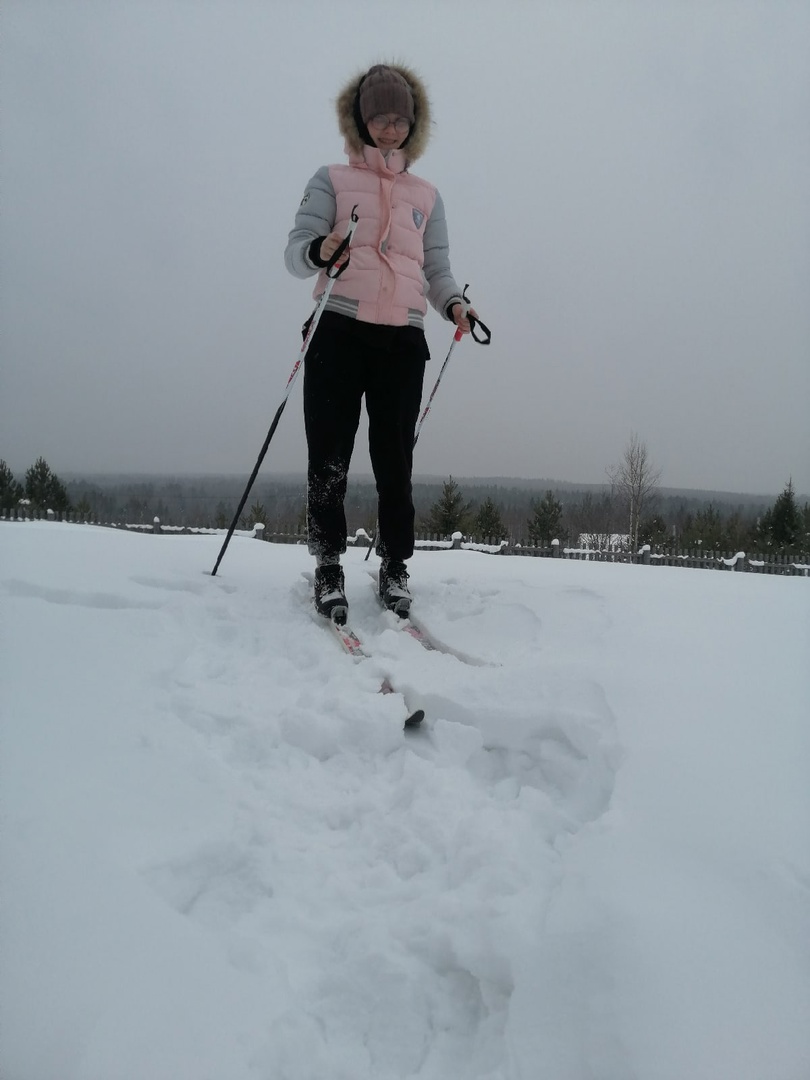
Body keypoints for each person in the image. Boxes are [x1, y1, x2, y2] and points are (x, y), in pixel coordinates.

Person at [285, 63, 477, 624]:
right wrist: (320, 249)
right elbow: (296, 252)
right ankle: (328, 565)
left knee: (395, 462)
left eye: (400, 120)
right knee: (329, 458)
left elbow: (436, 269)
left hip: (402, 341)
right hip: (338, 331)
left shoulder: (427, 196)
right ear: (360, 120)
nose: (390, 129)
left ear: (413, 125)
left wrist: (454, 304)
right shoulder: (330, 179)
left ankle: (395, 565)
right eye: (380, 118)